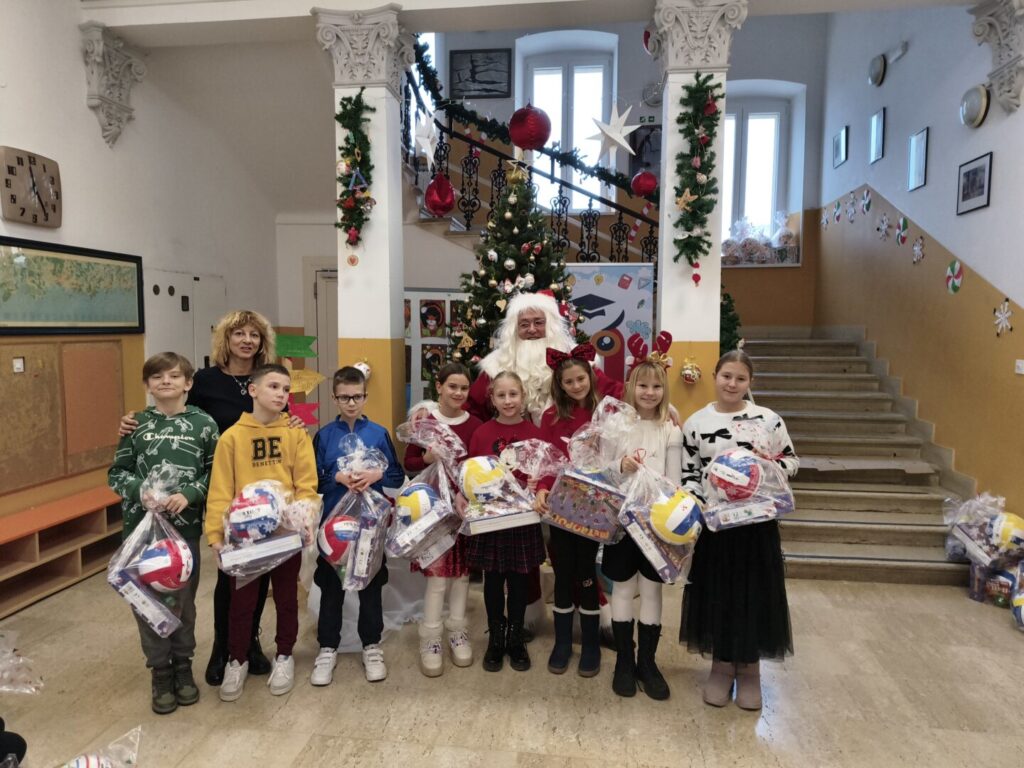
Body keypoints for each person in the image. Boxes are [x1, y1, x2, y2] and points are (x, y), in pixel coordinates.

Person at [118, 310, 300, 687]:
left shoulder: (269, 377)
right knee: (230, 577)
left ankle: (250, 644)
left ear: (262, 341)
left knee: (260, 575)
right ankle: (224, 648)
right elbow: (176, 412)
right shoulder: (205, 380)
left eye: (254, 334)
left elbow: (280, 419)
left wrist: (294, 421)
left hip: (265, 494)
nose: (246, 340)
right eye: (239, 334)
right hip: (224, 489)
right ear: (225, 339)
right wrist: (132, 420)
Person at [679, 350, 799, 710]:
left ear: (750, 382)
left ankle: (749, 670)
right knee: (719, 594)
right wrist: (698, 504)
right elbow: (688, 474)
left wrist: (763, 467)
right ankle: (720, 666)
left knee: (754, 595)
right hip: (717, 528)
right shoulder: (696, 423)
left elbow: (791, 460)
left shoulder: (768, 420)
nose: (732, 384)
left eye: (740, 378)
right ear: (715, 376)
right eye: (726, 376)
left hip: (757, 527)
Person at [108, 352, 219, 714]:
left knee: (182, 601)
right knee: (147, 602)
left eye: (173, 376)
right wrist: (141, 490)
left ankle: (183, 665)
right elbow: (116, 473)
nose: (166, 381)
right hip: (141, 532)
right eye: (157, 377)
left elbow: (216, 472)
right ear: (147, 385)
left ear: (188, 383)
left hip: (183, 533)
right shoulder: (136, 424)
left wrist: (189, 494)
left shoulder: (204, 424)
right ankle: (160, 670)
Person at [204, 364, 319, 702]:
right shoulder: (232, 437)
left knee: (286, 599)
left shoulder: (296, 434)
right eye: (273, 386)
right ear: (253, 390)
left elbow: (307, 485)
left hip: (285, 534)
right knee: (242, 603)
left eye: (285, 389)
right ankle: (236, 659)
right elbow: (220, 491)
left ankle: (284, 656)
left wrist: (303, 519)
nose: (281, 394)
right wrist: (216, 537)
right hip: (243, 538)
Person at [311, 366, 405, 686]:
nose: (351, 403)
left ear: (365, 396)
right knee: (331, 588)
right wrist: (337, 477)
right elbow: (313, 480)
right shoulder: (324, 436)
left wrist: (377, 474)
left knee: (370, 586)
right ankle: (327, 647)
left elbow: (396, 476)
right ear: (334, 398)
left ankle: (371, 645)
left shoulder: (378, 433)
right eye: (344, 397)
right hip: (334, 527)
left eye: (357, 396)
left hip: (369, 526)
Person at [604, 356, 681, 701]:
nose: (649, 392)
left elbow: (675, 482)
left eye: (657, 386)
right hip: (621, 522)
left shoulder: (670, 429)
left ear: (665, 390)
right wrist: (619, 465)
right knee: (622, 589)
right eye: (643, 385)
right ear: (630, 387)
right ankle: (624, 660)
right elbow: (602, 469)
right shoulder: (616, 425)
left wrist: (665, 515)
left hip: (656, 524)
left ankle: (647, 663)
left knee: (651, 591)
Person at [403, 362, 482, 677]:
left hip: (464, 508)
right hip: (434, 508)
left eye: (464, 388)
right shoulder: (425, 421)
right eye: (452, 387)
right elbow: (409, 462)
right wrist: (426, 457)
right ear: (438, 387)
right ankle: (431, 637)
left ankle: (457, 630)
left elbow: (481, 465)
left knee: (462, 576)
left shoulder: (475, 424)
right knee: (437, 577)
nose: (458, 393)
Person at [465, 371, 545, 672]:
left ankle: (515, 637)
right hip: (491, 521)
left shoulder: (534, 432)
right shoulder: (482, 433)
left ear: (523, 396)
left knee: (520, 579)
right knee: (494, 580)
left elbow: (543, 472)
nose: (508, 400)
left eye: (513, 394)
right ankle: (496, 637)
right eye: (501, 395)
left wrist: (538, 483)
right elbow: (470, 475)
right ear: (492, 399)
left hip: (523, 520)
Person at [533, 345, 603, 676]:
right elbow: (546, 461)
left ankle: (590, 644)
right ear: (559, 385)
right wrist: (541, 488)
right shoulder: (551, 417)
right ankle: (562, 642)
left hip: (593, 508)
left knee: (587, 573)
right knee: (562, 572)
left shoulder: (604, 413)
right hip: (560, 508)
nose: (576, 386)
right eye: (569, 382)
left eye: (580, 379)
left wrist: (669, 409)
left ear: (591, 376)